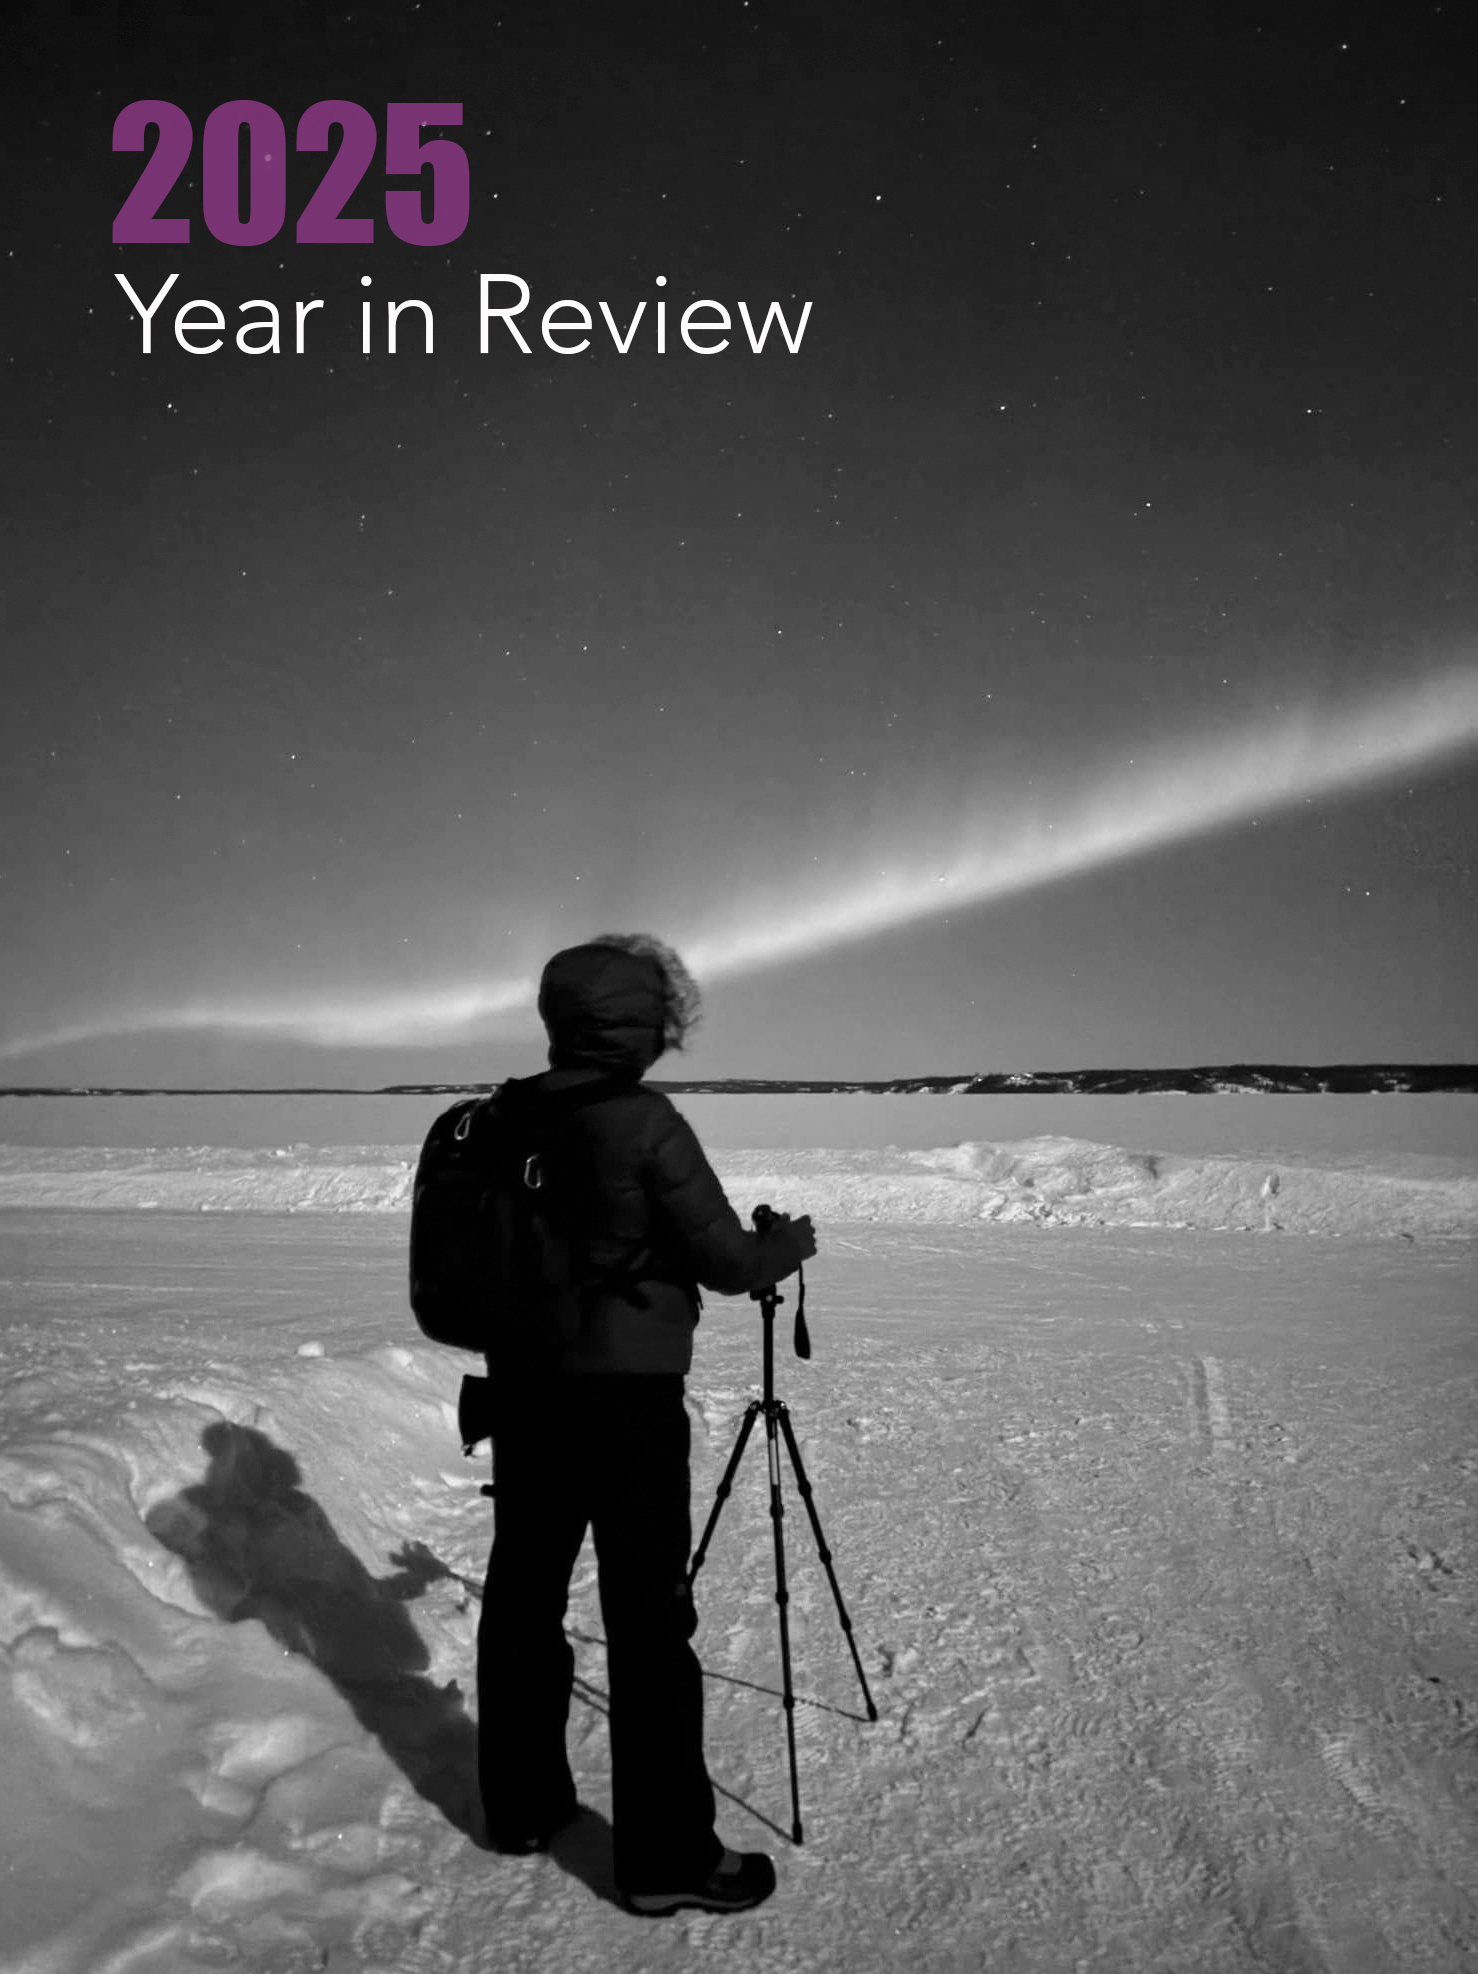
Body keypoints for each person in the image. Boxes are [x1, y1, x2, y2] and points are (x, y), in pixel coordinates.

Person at [477, 932, 816, 1917]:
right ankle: (668, 1859)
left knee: (524, 1596)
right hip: (623, 1403)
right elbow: (727, 1261)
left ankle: (522, 1806)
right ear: (635, 1025)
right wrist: (781, 1246)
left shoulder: (497, 1119)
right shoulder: (642, 1121)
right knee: (648, 1619)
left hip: (522, 1393)